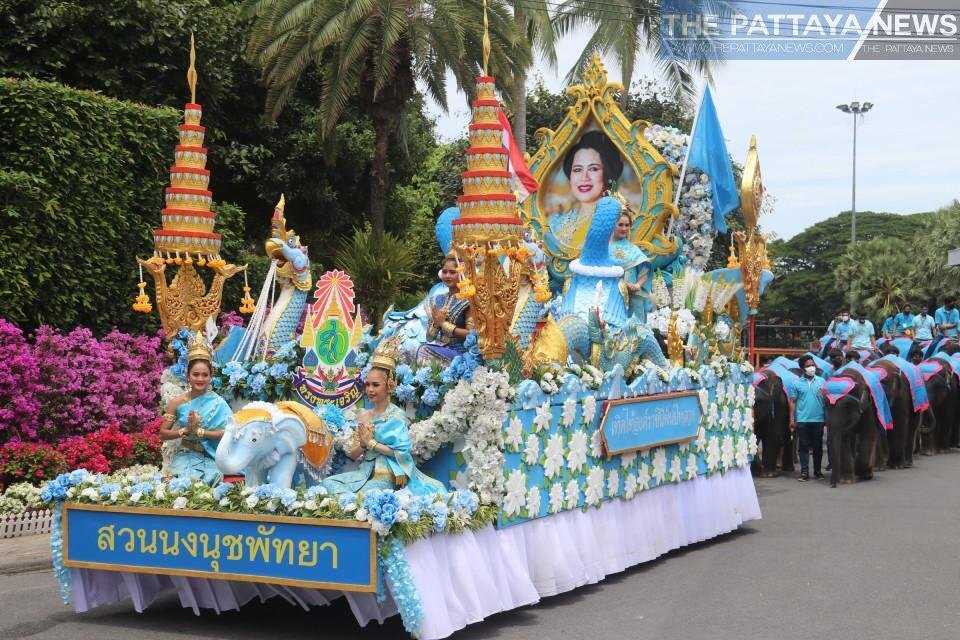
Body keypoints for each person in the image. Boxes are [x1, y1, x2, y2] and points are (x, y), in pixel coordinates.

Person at [323, 337, 445, 496]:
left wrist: (372, 443)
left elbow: (401, 452)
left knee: (365, 497)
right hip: (364, 472)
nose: (370, 390)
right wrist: (363, 444)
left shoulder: (396, 415)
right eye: (367, 385)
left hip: (387, 472)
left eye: (375, 385)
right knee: (328, 484)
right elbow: (353, 454)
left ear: (390, 385)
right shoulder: (364, 416)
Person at [158, 332, 231, 485]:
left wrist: (201, 432)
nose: (200, 379)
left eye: (205, 375)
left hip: (210, 456)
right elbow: (163, 434)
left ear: (211, 376)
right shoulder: (177, 402)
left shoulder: (218, 402)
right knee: (181, 484)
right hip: (185, 455)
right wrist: (183, 431)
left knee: (211, 484)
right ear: (188, 375)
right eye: (196, 374)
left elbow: (229, 434)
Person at [545, 131, 624, 259]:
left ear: (608, 174)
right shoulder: (556, 221)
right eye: (577, 170)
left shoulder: (615, 222)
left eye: (593, 169)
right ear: (569, 176)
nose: (584, 177)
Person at [417, 256, 472, 364]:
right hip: (442, 347)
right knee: (410, 351)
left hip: (461, 352)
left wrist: (443, 323)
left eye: (452, 272)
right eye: (444, 272)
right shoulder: (437, 300)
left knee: (424, 350)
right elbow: (429, 337)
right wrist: (436, 324)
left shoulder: (469, 300)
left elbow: (470, 334)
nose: (447, 276)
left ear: (461, 273)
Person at [609, 210, 652, 321]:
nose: (624, 228)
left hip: (632, 297)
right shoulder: (604, 248)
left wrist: (637, 285)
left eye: (627, 225)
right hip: (610, 296)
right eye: (620, 225)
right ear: (613, 225)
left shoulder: (634, 249)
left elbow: (644, 272)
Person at [789, 355, 827, 481]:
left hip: (819, 419)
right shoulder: (796, 383)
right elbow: (793, 402)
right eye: (808, 365)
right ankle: (804, 472)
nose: (811, 367)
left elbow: (827, 400)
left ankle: (817, 471)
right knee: (803, 446)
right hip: (803, 420)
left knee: (817, 447)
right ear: (802, 368)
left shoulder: (822, 382)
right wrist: (792, 420)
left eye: (812, 365)